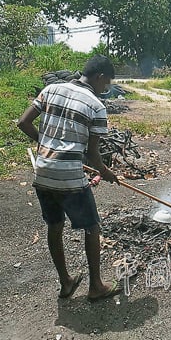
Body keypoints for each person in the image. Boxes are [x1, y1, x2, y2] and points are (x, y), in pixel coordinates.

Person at [17, 55, 121, 300]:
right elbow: (93, 157)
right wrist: (107, 174)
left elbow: (23, 122)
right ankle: (96, 286)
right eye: (106, 83)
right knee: (91, 227)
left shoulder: (51, 89)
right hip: (69, 179)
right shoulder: (96, 106)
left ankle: (66, 282)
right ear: (99, 77)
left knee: (55, 225)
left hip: (42, 172)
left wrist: (45, 145)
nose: (105, 89)